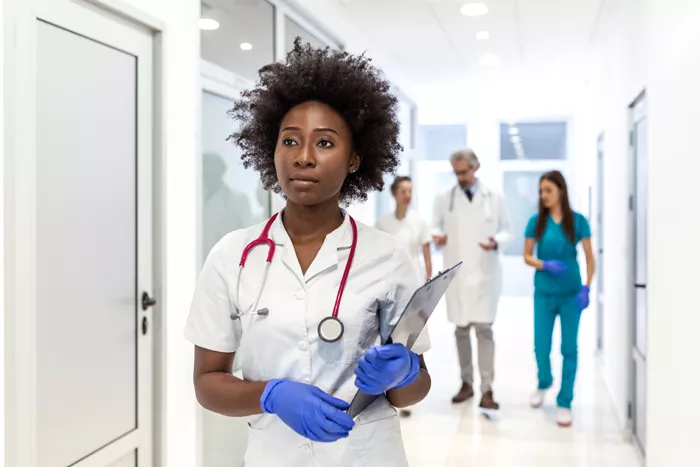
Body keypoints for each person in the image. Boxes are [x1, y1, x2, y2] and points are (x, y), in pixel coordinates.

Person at [184, 38, 432, 467]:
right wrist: (270, 395)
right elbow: (208, 383)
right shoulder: (234, 255)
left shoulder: (388, 257)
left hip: (366, 454)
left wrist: (405, 372)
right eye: (290, 141)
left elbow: (414, 389)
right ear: (271, 149)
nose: (303, 158)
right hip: (273, 455)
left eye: (324, 143)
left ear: (354, 159)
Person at [432, 148, 512, 411]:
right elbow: (435, 226)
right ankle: (466, 384)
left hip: (484, 271)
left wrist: (496, 241)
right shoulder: (445, 198)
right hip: (457, 271)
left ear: (475, 168)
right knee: (461, 330)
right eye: (456, 172)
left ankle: (487, 389)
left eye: (464, 172)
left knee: (484, 331)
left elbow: (507, 231)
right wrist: (438, 236)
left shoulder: (495, 197)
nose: (460, 177)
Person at [523, 170, 595, 428]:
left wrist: (587, 287)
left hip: (570, 295)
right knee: (540, 346)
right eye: (541, 191)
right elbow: (527, 255)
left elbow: (589, 257)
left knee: (569, 349)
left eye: (548, 190)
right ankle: (544, 382)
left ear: (561, 191)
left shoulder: (578, 222)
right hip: (543, 293)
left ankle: (565, 402)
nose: (543, 196)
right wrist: (544, 264)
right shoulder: (536, 222)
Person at [376, 175, 433, 417]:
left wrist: (429, 282)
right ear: (394, 194)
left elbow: (426, 253)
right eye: (403, 191)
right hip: (390, 287)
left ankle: (406, 388)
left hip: (415, 286)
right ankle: (392, 387)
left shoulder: (419, 222)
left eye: (410, 191)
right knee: (392, 338)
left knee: (413, 340)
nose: (407, 195)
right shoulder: (383, 223)